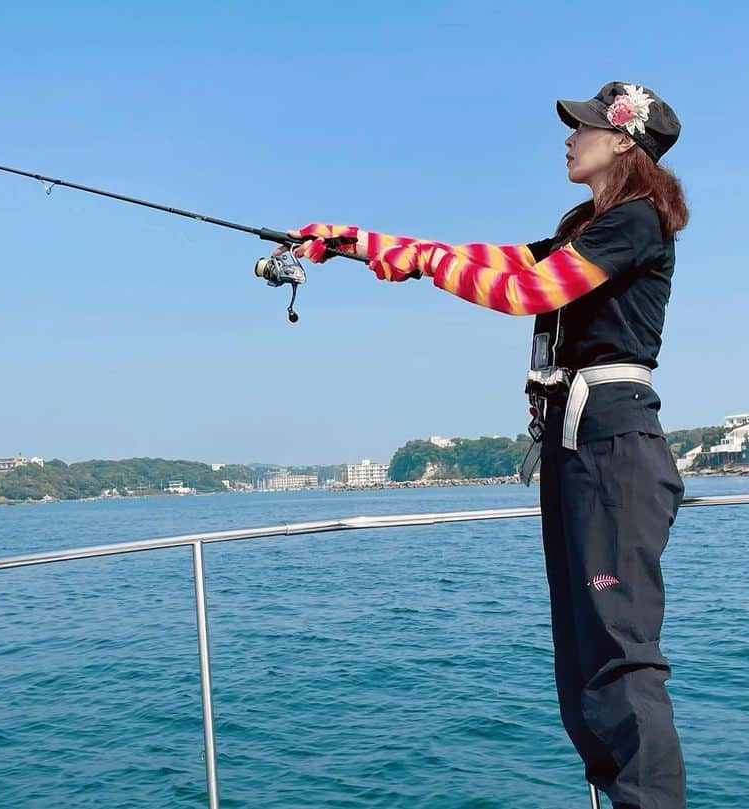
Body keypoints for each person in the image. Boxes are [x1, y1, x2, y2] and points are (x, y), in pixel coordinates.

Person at [284, 81, 689, 809]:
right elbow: (494, 259)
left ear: (625, 141)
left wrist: (424, 264)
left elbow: (528, 291)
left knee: (619, 659)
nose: (569, 137)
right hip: (575, 448)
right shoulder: (584, 226)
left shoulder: (636, 221)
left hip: (613, 451)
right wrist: (363, 244)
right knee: (582, 655)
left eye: (586, 127)